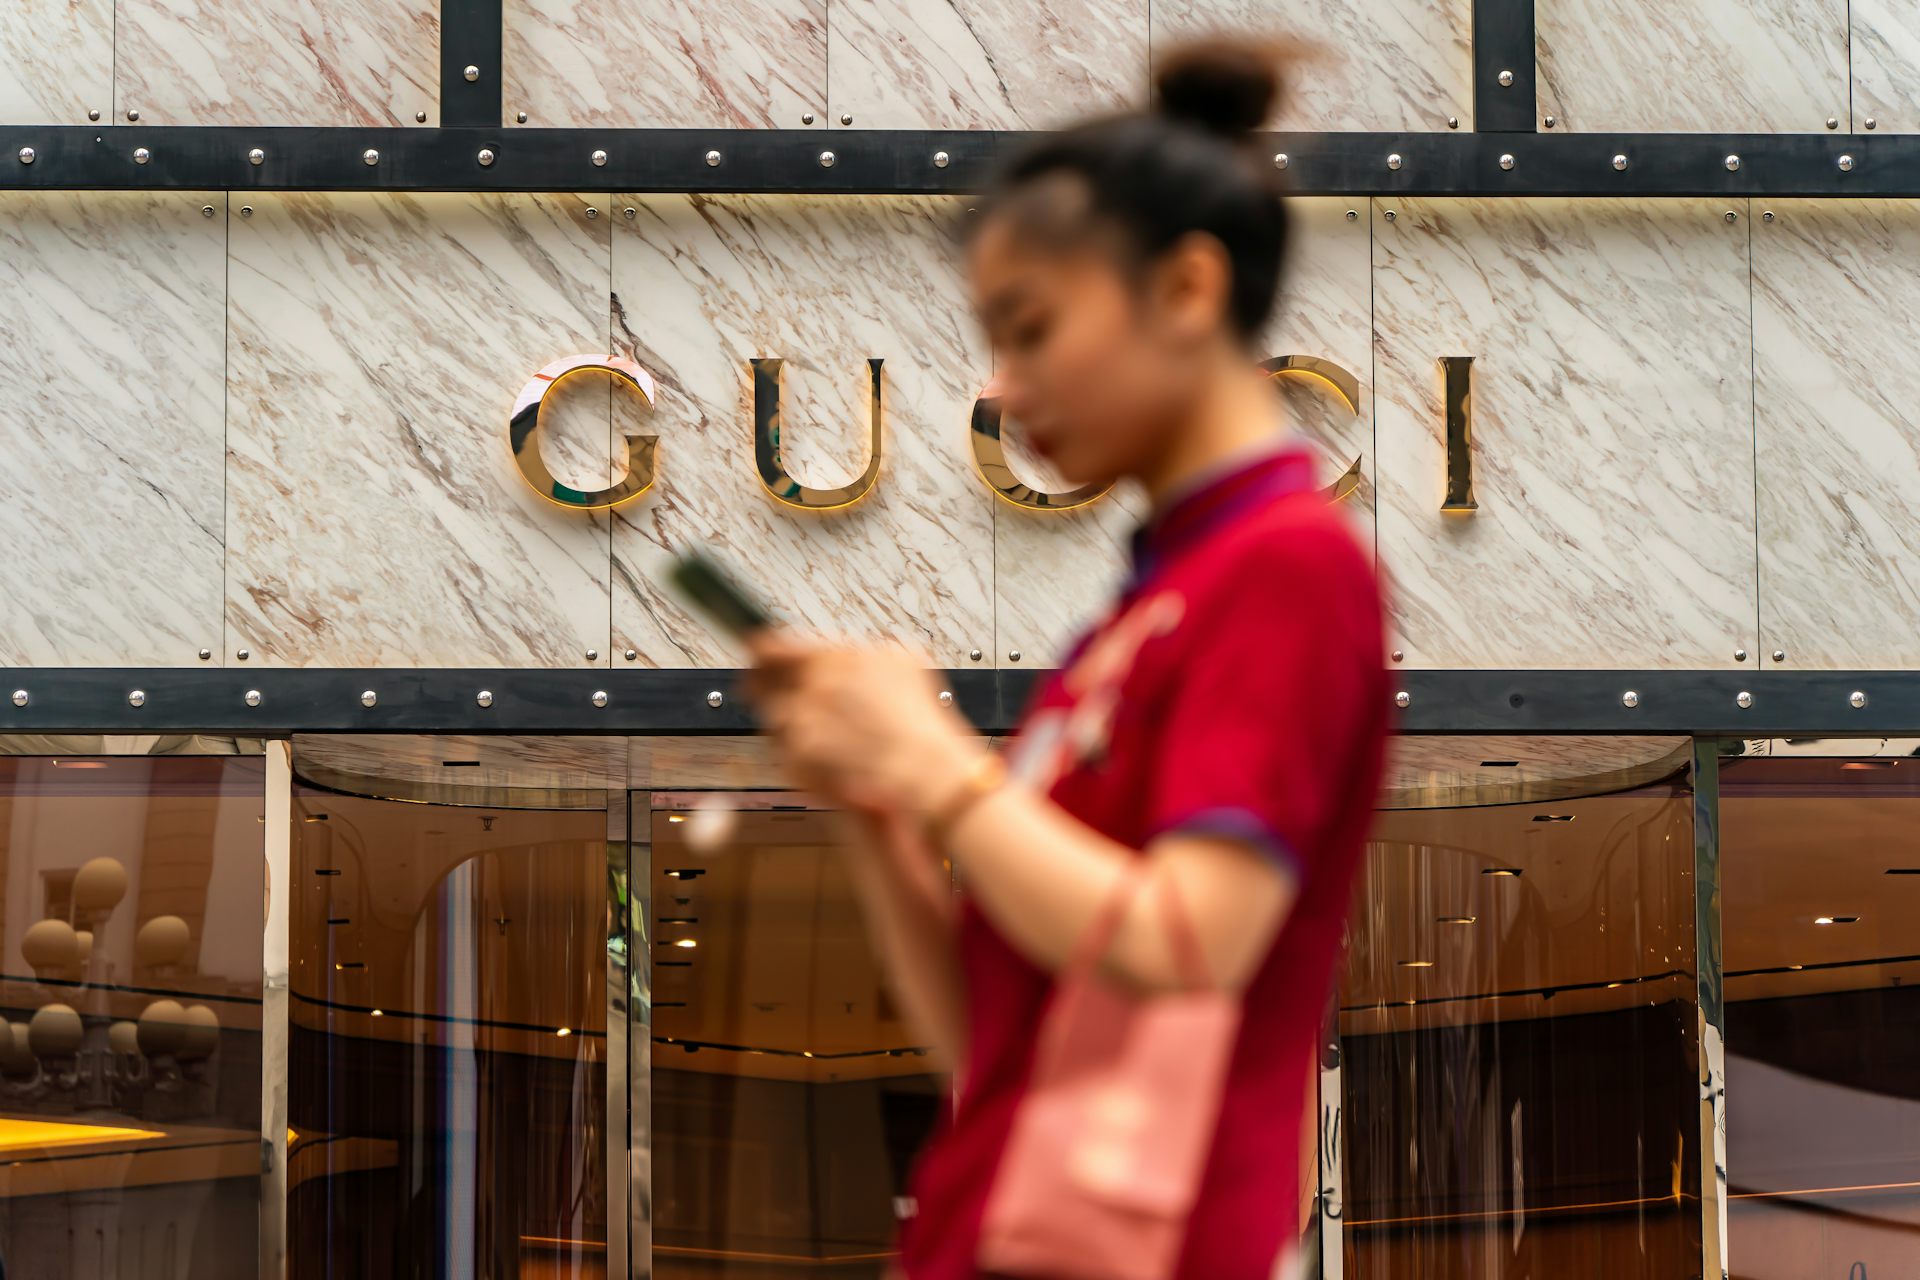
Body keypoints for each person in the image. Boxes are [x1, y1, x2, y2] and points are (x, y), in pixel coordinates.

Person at [749, 37, 1390, 1280]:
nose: (1000, 385)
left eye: (1030, 327)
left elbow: (1190, 941)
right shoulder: (1151, 606)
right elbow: (1002, 1046)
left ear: (1188, 291)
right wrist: (878, 802)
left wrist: (939, 769)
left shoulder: (1287, 567)